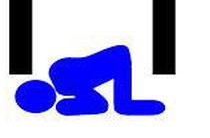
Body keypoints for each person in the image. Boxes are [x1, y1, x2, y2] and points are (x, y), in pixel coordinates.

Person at [14, 45, 165, 116]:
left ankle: (125, 104)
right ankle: (125, 104)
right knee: (121, 103)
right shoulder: (58, 73)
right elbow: (100, 104)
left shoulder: (64, 80)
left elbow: (101, 105)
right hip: (117, 58)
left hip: (115, 61)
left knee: (122, 104)